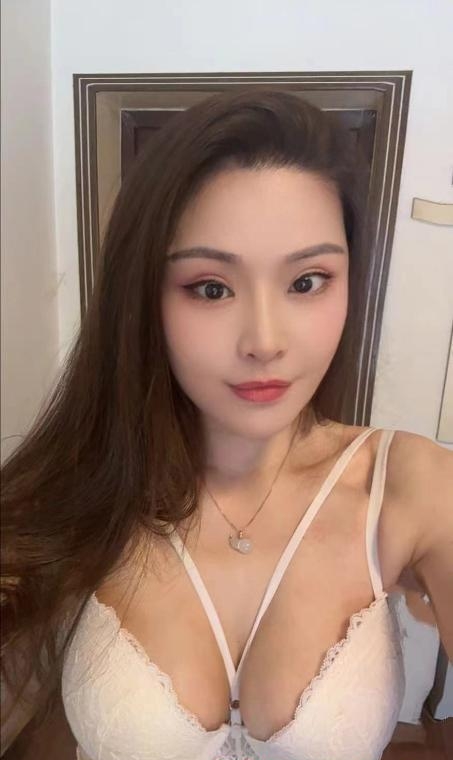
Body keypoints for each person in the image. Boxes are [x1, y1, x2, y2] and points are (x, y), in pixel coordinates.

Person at [1, 88, 452, 760]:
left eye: (307, 281)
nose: (264, 341)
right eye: (211, 288)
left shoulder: (411, 487)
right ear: (142, 299)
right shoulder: (74, 492)